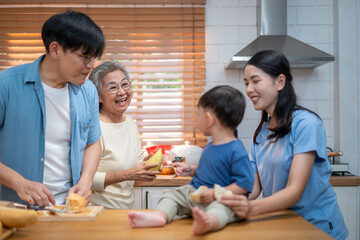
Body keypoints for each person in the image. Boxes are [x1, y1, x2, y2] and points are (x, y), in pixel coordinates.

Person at [219, 50, 348, 240]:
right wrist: (221, 196)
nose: (249, 89)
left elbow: (294, 192)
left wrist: (249, 208)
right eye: (246, 83)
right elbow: (253, 186)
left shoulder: (306, 124)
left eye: (255, 81)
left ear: (280, 82)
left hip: (317, 227)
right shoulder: (261, 131)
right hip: (283, 224)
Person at [0, 10, 105, 206]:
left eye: (94, 58)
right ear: (55, 49)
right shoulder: (5, 85)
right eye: (85, 57)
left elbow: (92, 143)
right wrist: (19, 183)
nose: (91, 65)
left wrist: (86, 181)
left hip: (70, 210)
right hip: (16, 210)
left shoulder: (88, 91)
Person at [128, 85, 254, 235]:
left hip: (220, 200)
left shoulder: (236, 149)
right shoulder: (210, 146)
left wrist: (215, 194)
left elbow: (245, 184)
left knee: (221, 209)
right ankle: (160, 216)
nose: (197, 120)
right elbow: (211, 172)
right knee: (172, 195)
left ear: (208, 119)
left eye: (198, 115)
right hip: (198, 196)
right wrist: (192, 170)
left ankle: (209, 222)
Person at [88, 61, 159, 209]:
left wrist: (150, 163)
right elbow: (84, 179)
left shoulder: (130, 124)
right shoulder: (93, 128)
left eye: (125, 84)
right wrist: (127, 175)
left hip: (124, 209)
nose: (122, 92)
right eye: (113, 87)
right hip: (98, 211)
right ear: (99, 97)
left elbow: (136, 162)